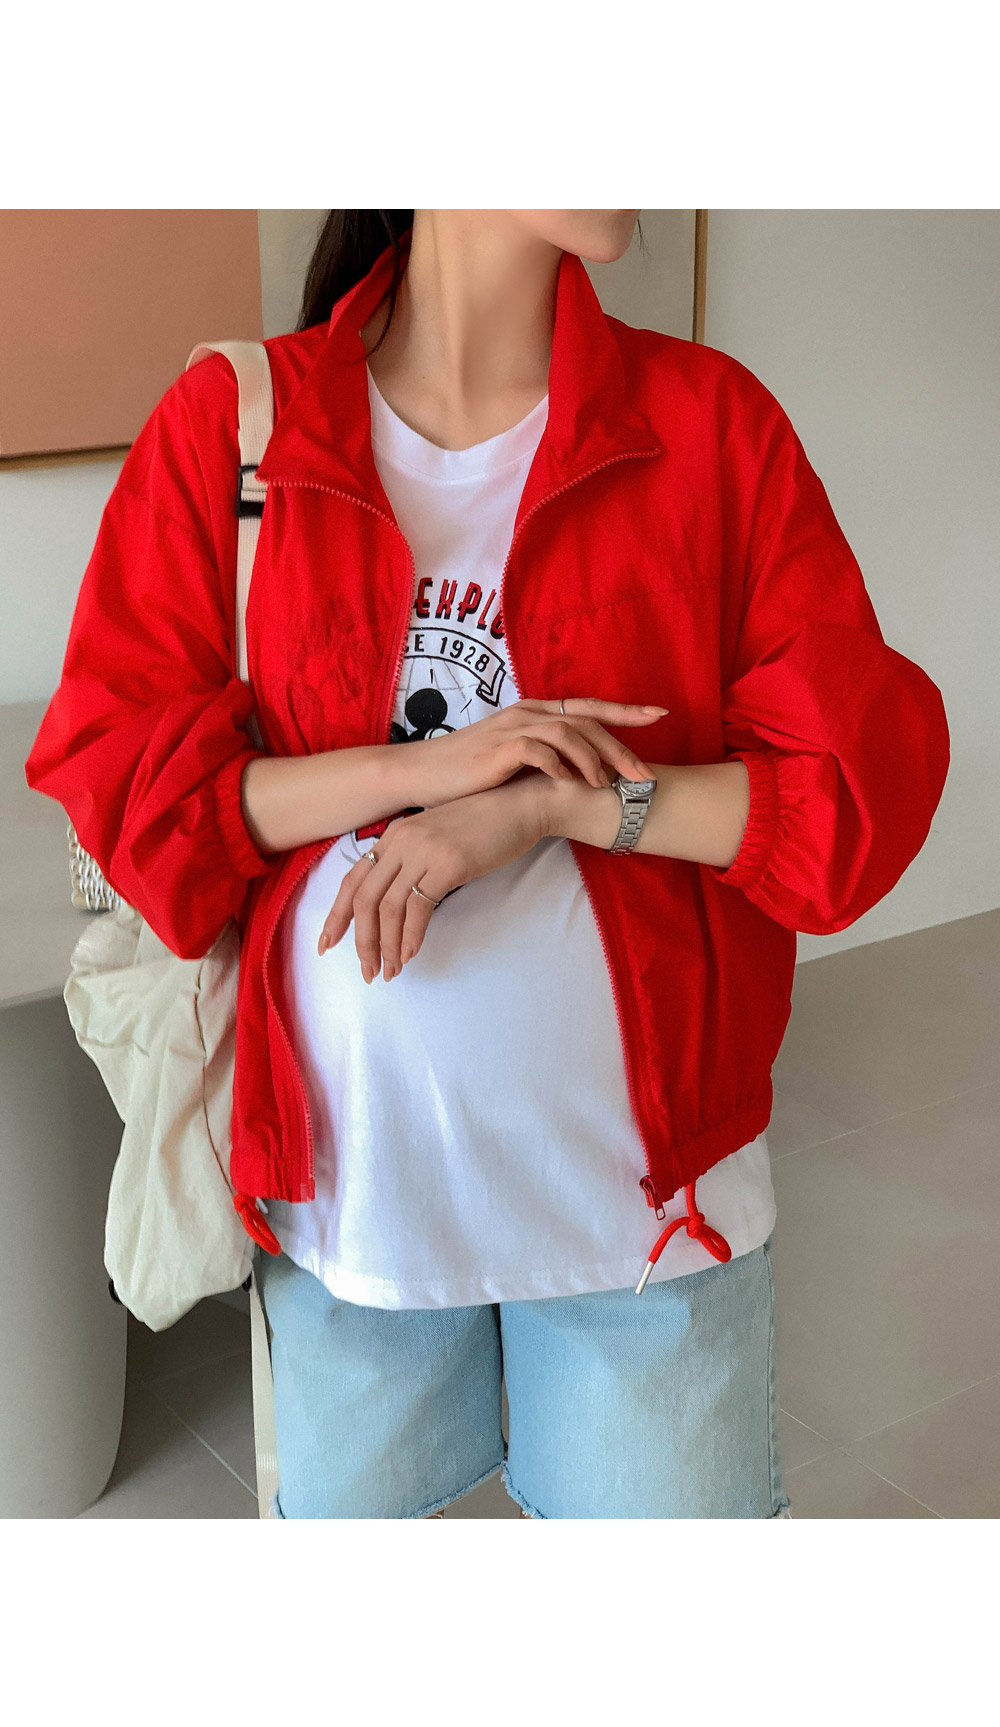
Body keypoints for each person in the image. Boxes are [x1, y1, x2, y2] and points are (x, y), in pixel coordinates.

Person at [25, 209, 950, 1520]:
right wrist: (426, 771)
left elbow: (846, 798)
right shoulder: (238, 428)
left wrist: (550, 808)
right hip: (355, 1220)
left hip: (650, 1229)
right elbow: (132, 786)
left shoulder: (710, 426)